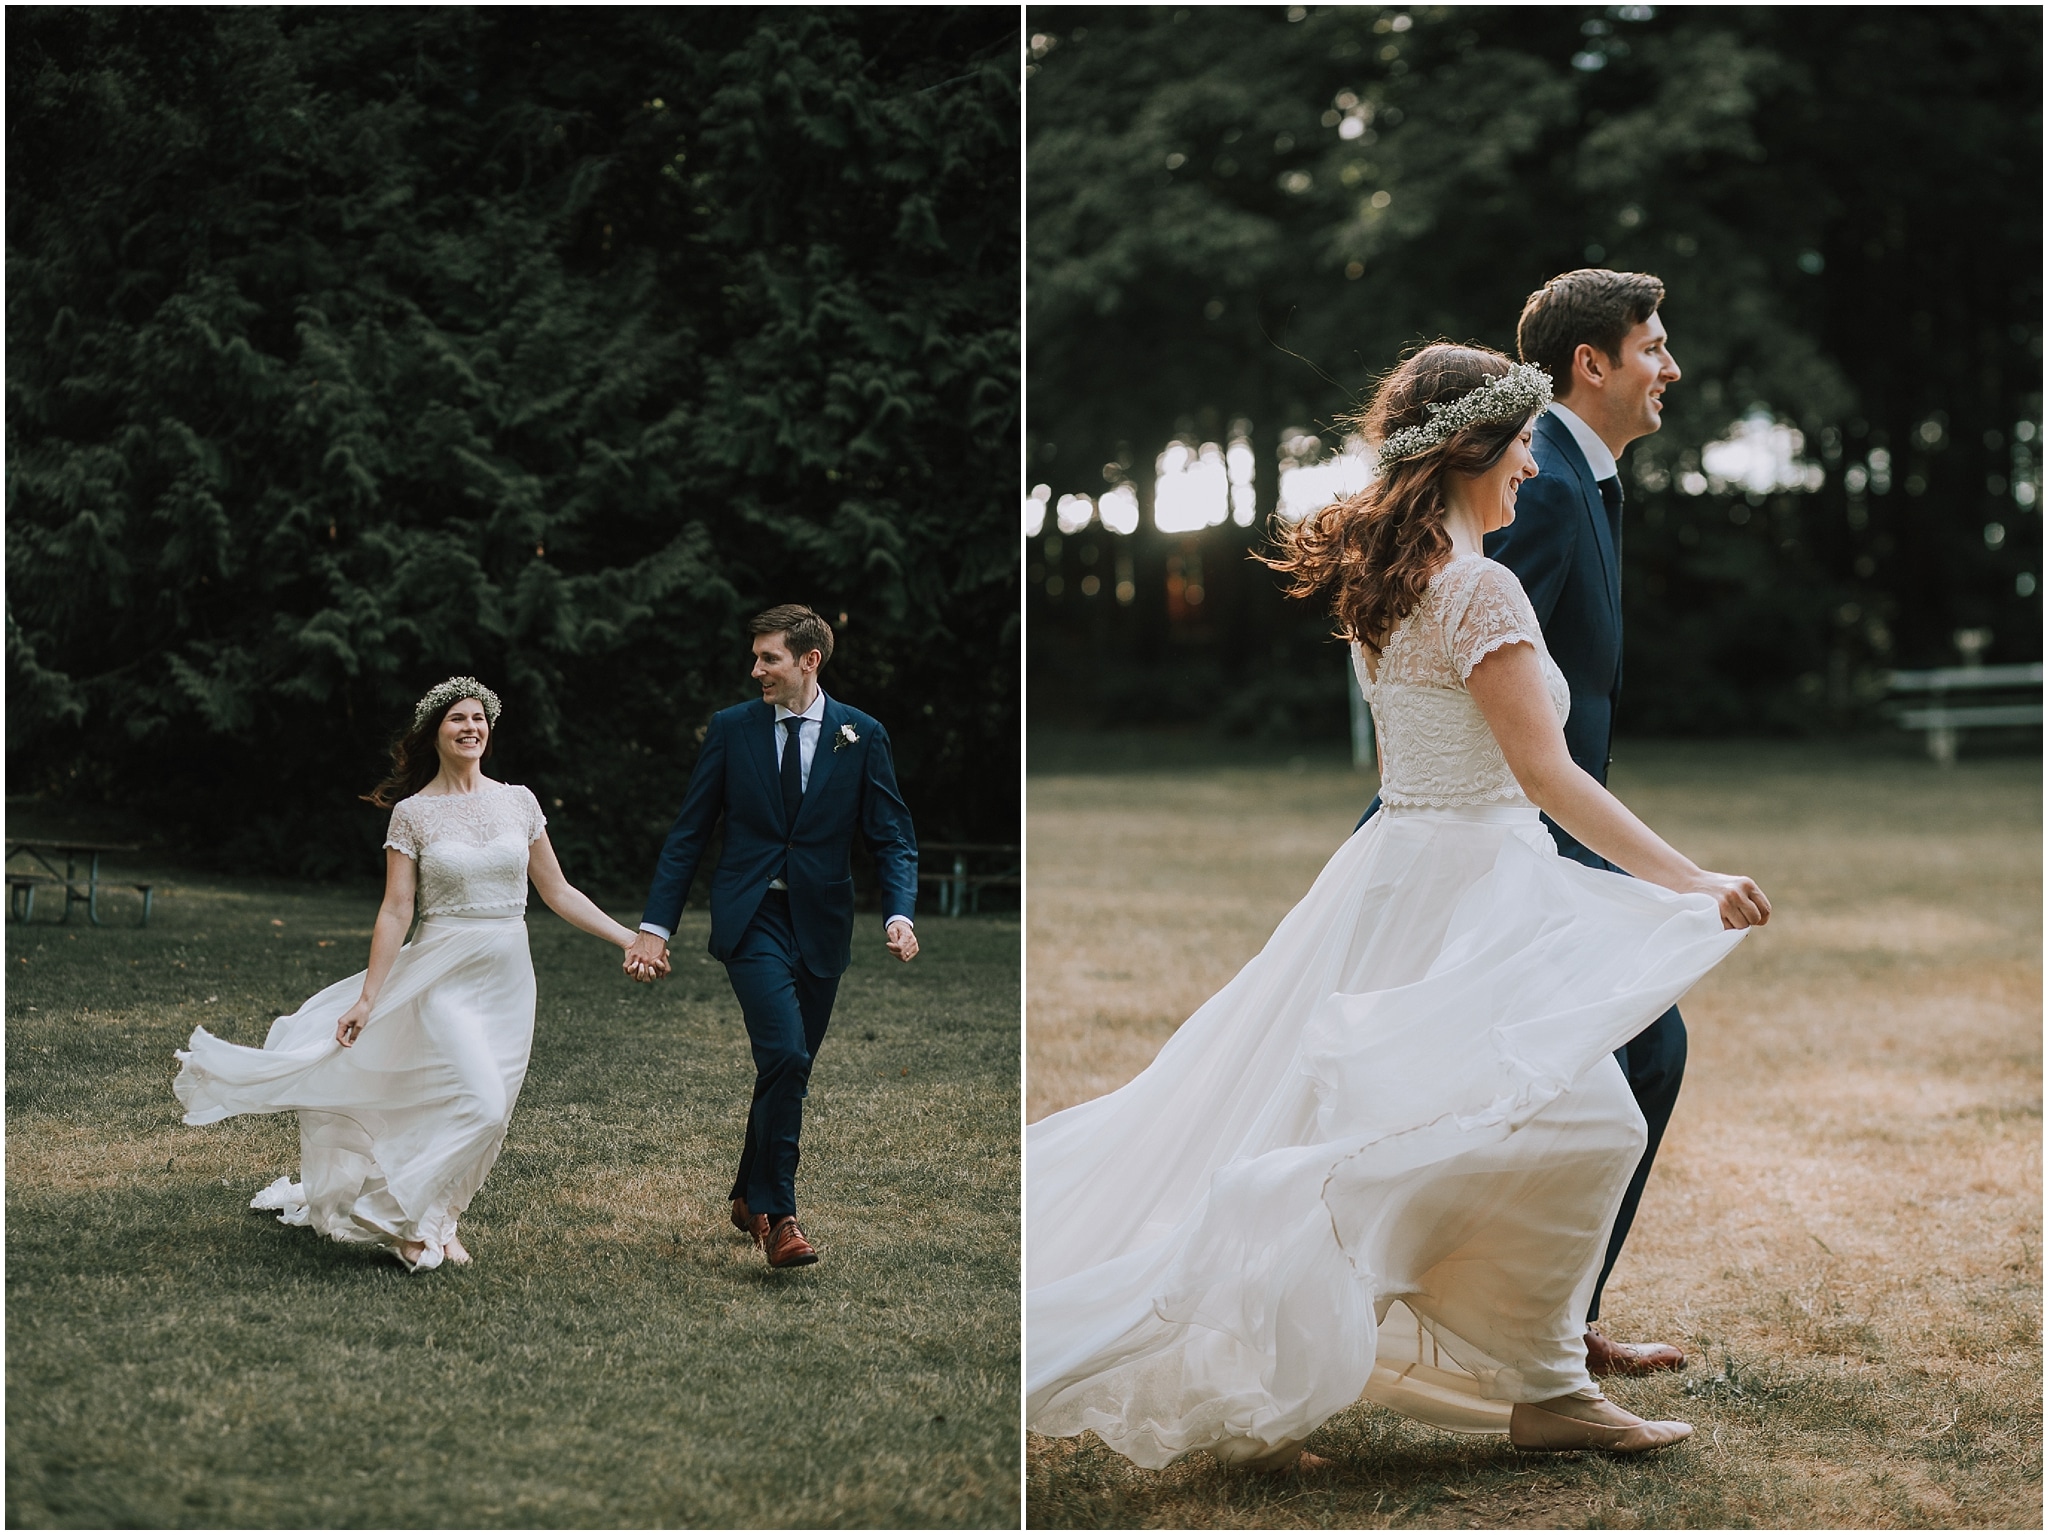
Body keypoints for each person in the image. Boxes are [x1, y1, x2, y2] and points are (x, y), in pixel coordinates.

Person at [1025, 344, 1770, 1472]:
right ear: (1471, 444)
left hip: (1401, 876)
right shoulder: (1475, 585)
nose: (1532, 459)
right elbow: (1547, 773)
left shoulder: (1396, 574)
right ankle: (1527, 1373)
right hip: (1468, 881)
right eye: (1520, 437)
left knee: (1484, 1117)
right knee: (1573, 1121)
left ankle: (1538, 1376)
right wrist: (1690, 877)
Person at [1358, 270, 1692, 1374]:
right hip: (1512, 851)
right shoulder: (1534, 490)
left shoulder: (1573, 482)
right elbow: (1475, 690)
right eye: (1650, 345)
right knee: (1616, 1065)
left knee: (1619, 1065)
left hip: (1517, 842)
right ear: (1585, 363)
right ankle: (1526, 1333)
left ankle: (1541, 1326)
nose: (1669, 367)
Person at [173, 677, 642, 1272]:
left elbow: (557, 889)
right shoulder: (413, 813)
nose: (470, 727)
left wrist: (630, 938)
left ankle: (438, 1222)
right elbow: (397, 909)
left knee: (491, 1107)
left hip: (508, 978)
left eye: (479, 718)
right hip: (443, 971)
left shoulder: (519, 801)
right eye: (456, 719)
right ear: (434, 733)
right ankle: (391, 1214)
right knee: (482, 1102)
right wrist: (369, 999)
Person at [625, 605, 918, 1269]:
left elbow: (892, 835)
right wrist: (653, 927)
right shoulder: (733, 729)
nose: (755, 669)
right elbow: (690, 832)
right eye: (756, 657)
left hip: (821, 921)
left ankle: (744, 1191)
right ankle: (779, 1216)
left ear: (809, 660)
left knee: (789, 1064)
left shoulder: (860, 734)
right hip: (751, 914)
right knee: (785, 1052)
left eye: (769, 658)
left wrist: (899, 912)